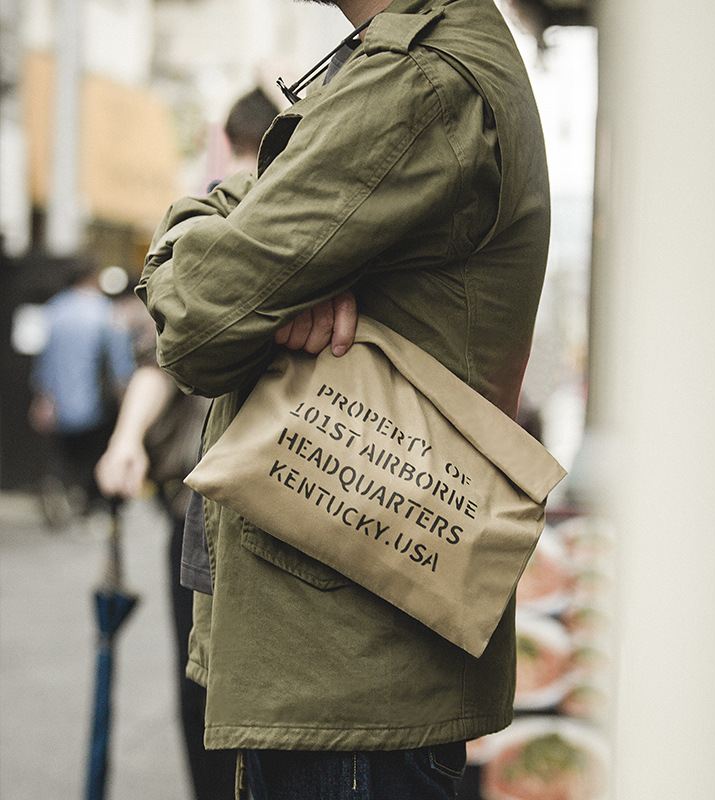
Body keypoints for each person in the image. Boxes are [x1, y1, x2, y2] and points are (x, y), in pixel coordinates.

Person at [136, 0, 551, 796]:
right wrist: (243, 250)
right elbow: (227, 271)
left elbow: (197, 320)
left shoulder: (418, 82)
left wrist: (201, 236)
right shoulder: (413, 64)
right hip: (347, 667)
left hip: (344, 678)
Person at [94, 87, 279, 800]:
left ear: (227, 146)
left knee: (204, 683)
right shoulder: (301, 215)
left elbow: (159, 358)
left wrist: (126, 440)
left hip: (204, 502)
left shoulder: (214, 220)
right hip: (287, 494)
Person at [29, 261, 134, 521]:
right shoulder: (105, 311)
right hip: (98, 403)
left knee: (65, 454)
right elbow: (121, 363)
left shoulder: (54, 310)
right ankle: (89, 503)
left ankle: (65, 490)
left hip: (60, 402)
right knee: (94, 454)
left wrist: (42, 398)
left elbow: (43, 361)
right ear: (91, 278)